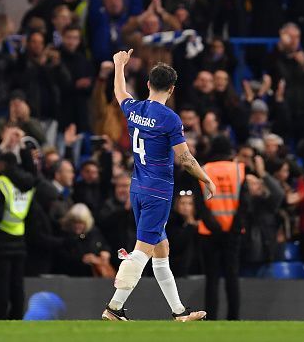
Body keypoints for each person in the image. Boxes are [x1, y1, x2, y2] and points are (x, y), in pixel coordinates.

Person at [102, 49, 216, 322]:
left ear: (148, 84)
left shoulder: (135, 109)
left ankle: (178, 312)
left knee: (161, 249)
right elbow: (186, 159)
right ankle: (114, 307)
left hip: (138, 188)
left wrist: (120, 65)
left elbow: (119, 91)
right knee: (143, 250)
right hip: (158, 192)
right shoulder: (169, 119)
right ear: (172, 88)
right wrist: (206, 178)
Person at [197, 135, 248, 321]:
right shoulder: (239, 170)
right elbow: (245, 204)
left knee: (212, 279)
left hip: (209, 233)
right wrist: (233, 228)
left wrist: (215, 227)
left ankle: (211, 318)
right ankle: (233, 317)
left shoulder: (203, 170)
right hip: (233, 233)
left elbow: (199, 205)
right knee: (232, 277)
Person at [0, 152, 37, 320]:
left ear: (3, 164)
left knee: (1, 289)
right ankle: (17, 321)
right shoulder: (27, 185)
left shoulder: (1, 184)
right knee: (17, 287)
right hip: (19, 239)